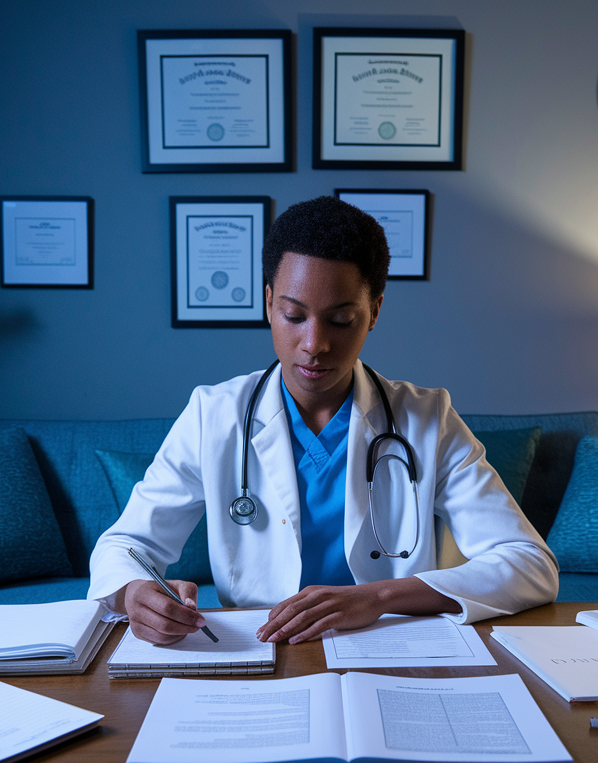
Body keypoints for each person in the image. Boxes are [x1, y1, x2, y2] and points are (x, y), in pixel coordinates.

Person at [87, 196, 558, 645]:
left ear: (373, 312)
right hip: (260, 649)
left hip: (387, 646)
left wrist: (377, 598)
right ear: (269, 303)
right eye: (294, 315)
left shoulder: (427, 419)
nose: (314, 344)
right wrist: (135, 593)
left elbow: (529, 564)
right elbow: (126, 545)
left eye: (340, 320)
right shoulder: (214, 414)